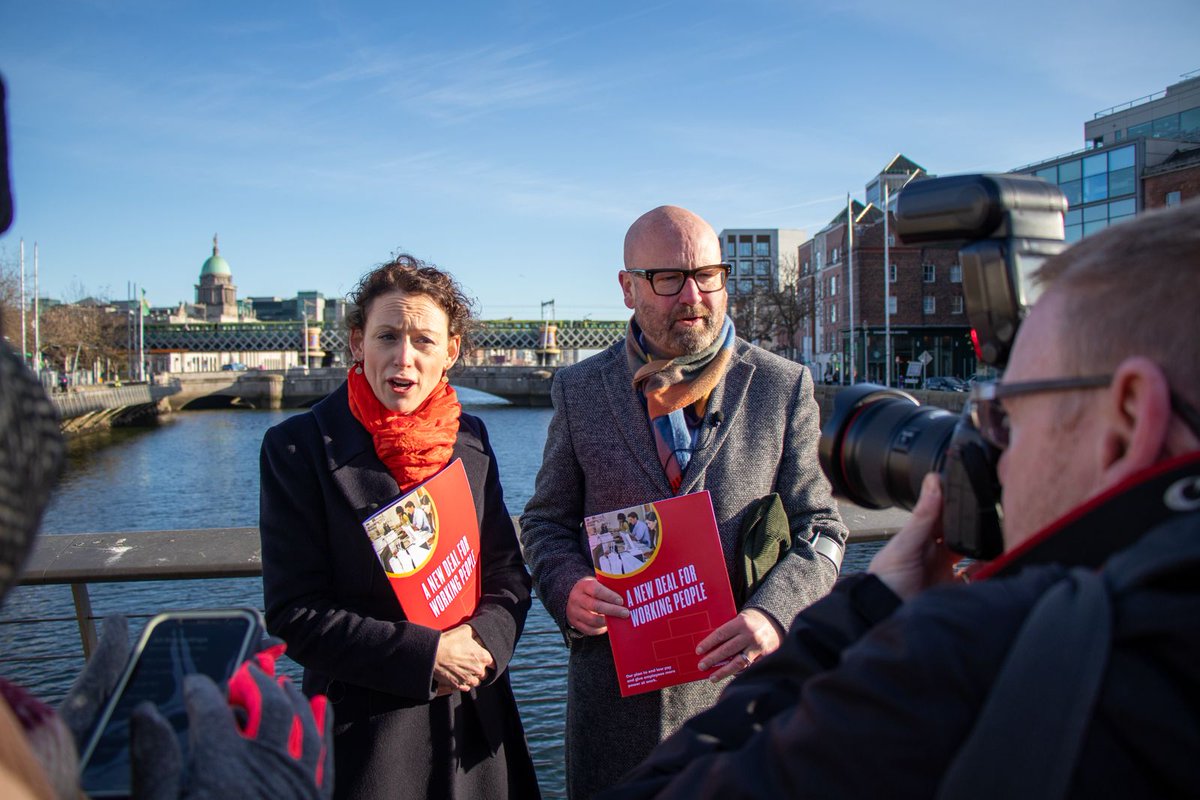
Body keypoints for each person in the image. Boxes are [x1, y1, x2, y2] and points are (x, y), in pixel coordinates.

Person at [607, 200, 1200, 798]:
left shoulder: (979, 659)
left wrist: (867, 608)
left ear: (1128, 421)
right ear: (630, 288)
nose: (990, 446)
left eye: (1009, 412)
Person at [520, 205, 848, 798]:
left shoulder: (781, 385)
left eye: (708, 274)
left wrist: (772, 616)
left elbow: (823, 528)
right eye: (668, 278)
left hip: (743, 708)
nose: (693, 295)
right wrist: (566, 587)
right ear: (627, 288)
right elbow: (545, 523)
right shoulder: (578, 389)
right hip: (614, 715)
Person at [259, 255, 540, 800]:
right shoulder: (298, 447)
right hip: (370, 738)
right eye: (386, 336)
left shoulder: (471, 438)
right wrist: (426, 655)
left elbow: (507, 573)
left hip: (475, 723)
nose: (403, 359)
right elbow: (294, 611)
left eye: (424, 341)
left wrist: (484, 641)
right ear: (356, 343)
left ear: (452, 352)